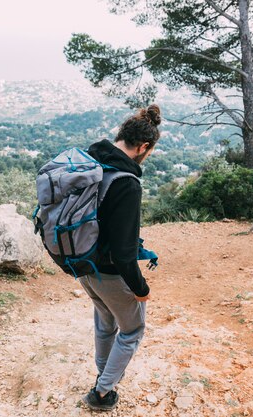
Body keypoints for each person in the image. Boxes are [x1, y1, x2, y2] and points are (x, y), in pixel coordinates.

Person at [80, 104, 161, 411]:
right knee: (131, 329)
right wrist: (141, 289)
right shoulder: (126, 182)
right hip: (109, 272)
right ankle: (101, 393)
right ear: (143, 147)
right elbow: (124, 253)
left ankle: (104, 377)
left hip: (82, 263)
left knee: (105, 323)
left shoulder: (91, 160)